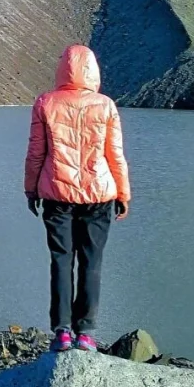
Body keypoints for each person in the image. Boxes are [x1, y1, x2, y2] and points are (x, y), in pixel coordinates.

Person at [24, 43, 131, 353]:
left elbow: (35, 154)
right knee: (91, 262)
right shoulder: (106, 105)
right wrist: (122, 193)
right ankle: (85, 333)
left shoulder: (45, 103)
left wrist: (31, 190)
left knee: (61, 261)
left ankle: (61, 332)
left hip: (57, 195)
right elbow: (115, 155)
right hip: (99, 197)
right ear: (93, 70)